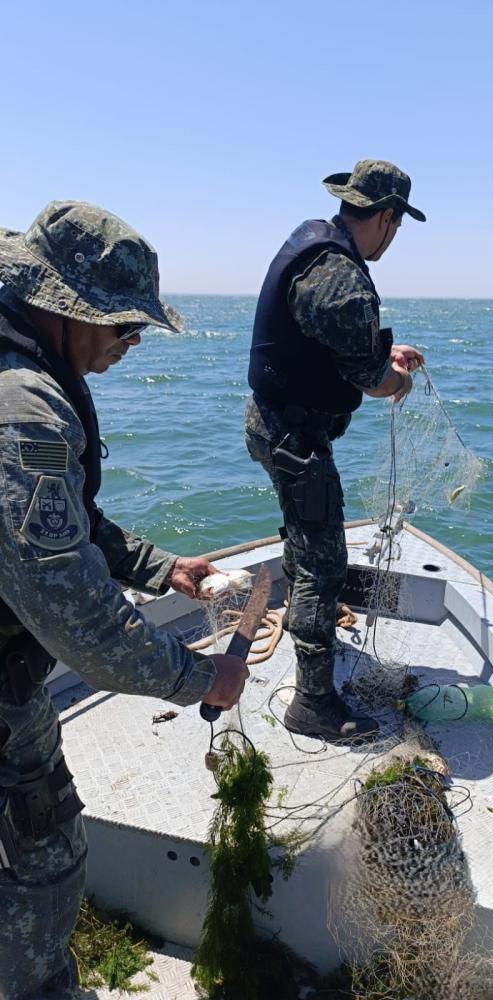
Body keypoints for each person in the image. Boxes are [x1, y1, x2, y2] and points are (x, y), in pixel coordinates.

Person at [0, 201, 248, 1000]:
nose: (130, 344)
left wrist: (160, 566)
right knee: (45, 859)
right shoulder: (24, 411)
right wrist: (197, 677)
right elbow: (79, 620)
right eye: (122, 328)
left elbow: (60, 520)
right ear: (61, 308)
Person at [245, 159, 426, 742]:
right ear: (389, 219)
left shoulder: (315, 246)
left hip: (273, 425)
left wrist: (381, 361)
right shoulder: (342, 279)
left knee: (304, 535)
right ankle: (313, 702)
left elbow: (338, 349)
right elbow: (373, 381)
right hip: (294, 438)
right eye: (397, 227)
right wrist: (398, 381)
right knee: (324, 561)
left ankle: (310, 627)